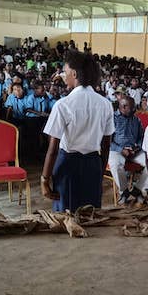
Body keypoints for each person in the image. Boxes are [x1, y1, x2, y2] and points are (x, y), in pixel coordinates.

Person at [41, 52, 115, 212]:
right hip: (93, 163)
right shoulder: (105, 104)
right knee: (90, 213)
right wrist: (100, 172)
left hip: (68, 164)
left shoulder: (63, 104)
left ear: (74, 74)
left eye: (65, 72)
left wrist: (44, 180)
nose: (64, 76)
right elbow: (106, 145)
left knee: (66, 214)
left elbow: (53, 149)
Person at [108, 96, 148, 204]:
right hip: (116, 150)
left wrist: (136, 148)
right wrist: (121, 149)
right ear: (123, 107)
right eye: (132, 108)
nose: (135, 109)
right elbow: (108, 141)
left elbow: (141, 137)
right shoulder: (112, 119)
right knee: (116, 165)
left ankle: (138, 189)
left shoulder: (136, 119)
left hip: (134, 151)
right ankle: (124, 191)